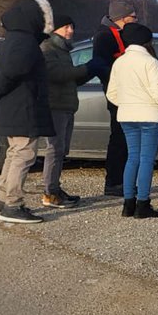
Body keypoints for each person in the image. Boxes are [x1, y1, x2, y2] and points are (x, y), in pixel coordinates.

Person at [0, 0, 56, 224]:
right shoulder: (25, 42)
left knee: (14, 153)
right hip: (24, 107)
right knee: (24, 154)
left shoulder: (10, 40)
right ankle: (13, 204)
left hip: (12, 107)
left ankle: (0, 201)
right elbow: (11, 73)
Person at [105, 23, 158, 218]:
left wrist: (127, 104)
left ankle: (128, 204)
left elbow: (112, 94)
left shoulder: (120, 62)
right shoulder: (152, 63)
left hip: (127, 116)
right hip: (151, 116)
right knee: (146, 160)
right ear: (148, 42)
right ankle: (143, 204)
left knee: (132, 158)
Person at [40, 14, 103, 208]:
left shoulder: (63, 50)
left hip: (67, 105)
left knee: (62, 150)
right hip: (55, 106)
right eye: (66, 27)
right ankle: (49, 192)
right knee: (55, 150)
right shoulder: (47, 49)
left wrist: (89, 72)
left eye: (72, 26)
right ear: (54, 29)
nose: (71, 30)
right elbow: (57, 75)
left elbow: (71, 79)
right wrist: (87, 68)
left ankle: (55, 188)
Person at [92, 1, 138, 197]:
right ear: (121, 18)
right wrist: (118, 78)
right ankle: (113, 182)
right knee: (119, 137)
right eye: (133, 17)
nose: (136, 20)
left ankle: (121, 180)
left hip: (126, 92)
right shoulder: (104, 36)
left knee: (125, 137)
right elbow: (100, 65)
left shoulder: (120, 33)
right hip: (117, 94)